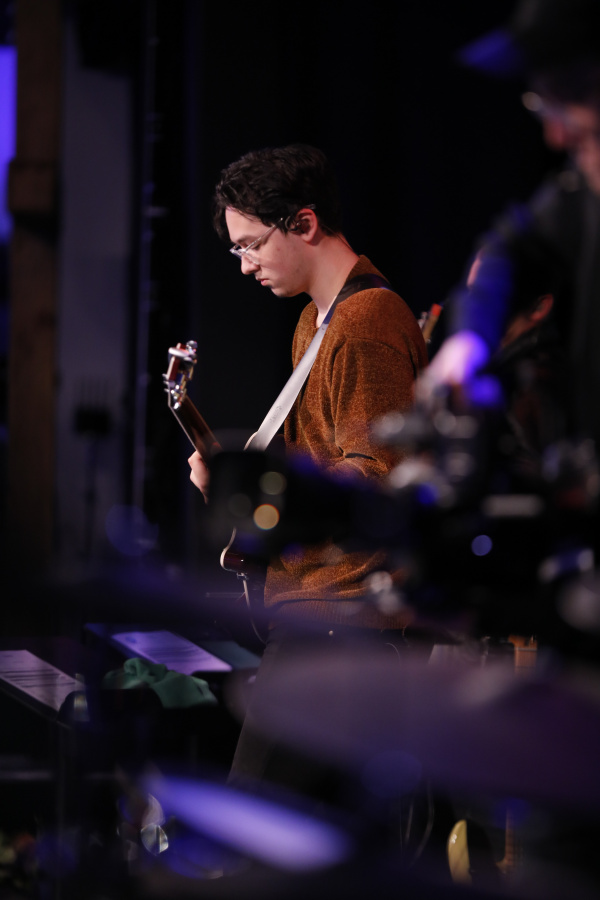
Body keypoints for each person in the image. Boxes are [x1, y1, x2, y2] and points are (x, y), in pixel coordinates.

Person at [187, 143, 429, 791]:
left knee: (253, 819)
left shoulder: (367, 321)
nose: (245, 265)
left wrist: (261, 489)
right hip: (316, 610)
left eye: (251, 245)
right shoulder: (314, 323)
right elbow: (319, 462)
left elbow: (377, 480)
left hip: (344, 618)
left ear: (304, 222)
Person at [423, 0, 600, 454]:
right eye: (544, 105)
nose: (555, 137)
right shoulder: (578, 194)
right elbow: (508, 246)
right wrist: (469, 341)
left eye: (570, 99)